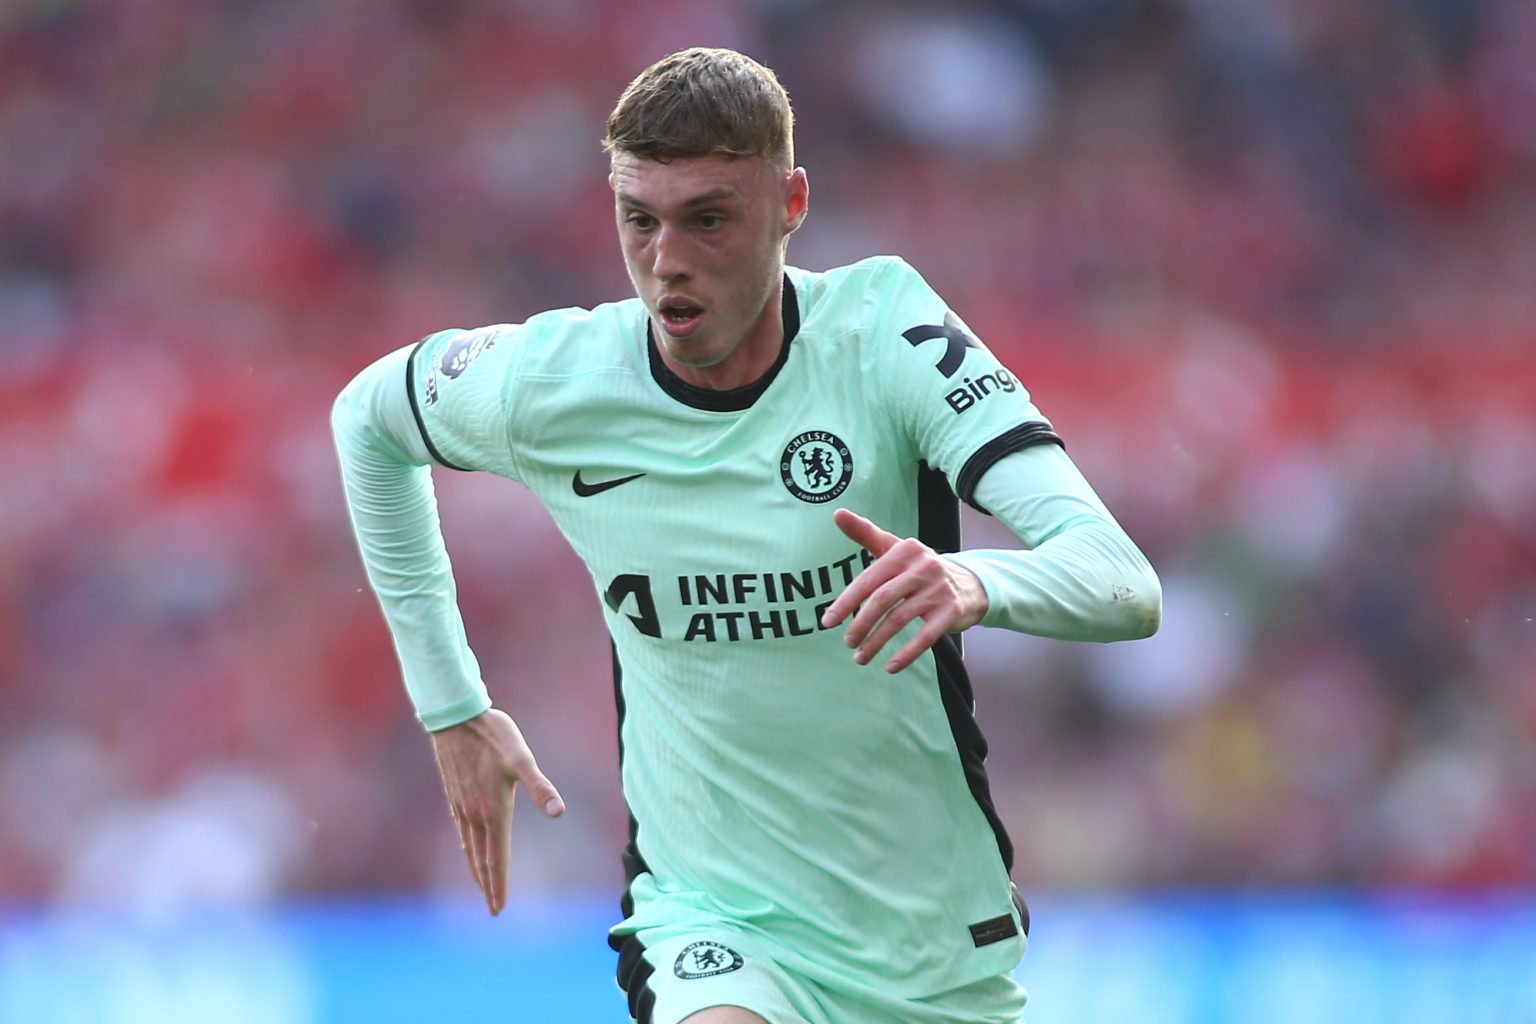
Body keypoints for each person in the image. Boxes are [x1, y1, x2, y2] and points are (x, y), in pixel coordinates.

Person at [332, 46, 1160, 1024]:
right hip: (709, 923)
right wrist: (451, 705)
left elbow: (1123, 581)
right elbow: (368, 421)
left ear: (791, 203)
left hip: (926, 940)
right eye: (639, 219)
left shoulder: (885, 334)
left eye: (709, 219)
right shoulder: (553, 379)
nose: (667, 260)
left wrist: (975, 583)